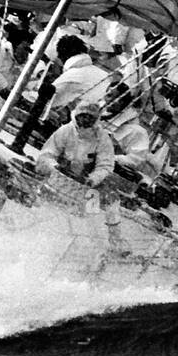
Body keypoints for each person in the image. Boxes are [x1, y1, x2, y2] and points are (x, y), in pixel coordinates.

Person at [35, 98, 127, 252]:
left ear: (96, 119)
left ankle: (112, 241)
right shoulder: (65, 131)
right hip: (60, 179)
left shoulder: (103, 138)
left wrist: (93, 179)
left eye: (89, 117)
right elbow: (46, 155)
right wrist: (55, 167)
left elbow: (106, 165)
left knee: (111, 201)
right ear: (76, 115)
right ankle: (44, 225)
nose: (85, 120)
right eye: (82, 116)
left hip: (86, 185)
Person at [48, 35, 113, 120]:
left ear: (60, 59)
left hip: (97, 120)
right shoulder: (101, 72)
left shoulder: (71, 77)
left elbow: (48, 100)